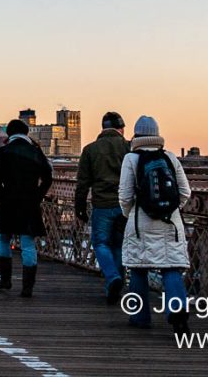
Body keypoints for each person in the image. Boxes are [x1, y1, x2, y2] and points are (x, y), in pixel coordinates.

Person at [118, 115, 192, 334]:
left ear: (136, 135)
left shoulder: (131, 159)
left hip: (141, 222)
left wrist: (131, 214)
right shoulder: (170, 157)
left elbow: (124, 196)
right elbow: (185, 192)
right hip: (171, 222)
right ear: (157, 134)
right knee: (171, 267)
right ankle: (177, 311)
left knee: (138, 268)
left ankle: (140, 316)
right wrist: (170, 208)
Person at [0, 119, 53, 298]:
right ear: (26, 133)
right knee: (27, 244)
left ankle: (5, 280)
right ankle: (27, 287)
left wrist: (1, 196)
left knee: (3, 238)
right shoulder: (35, 151)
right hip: (30, 203)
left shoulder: (4, 151)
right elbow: (48, 177)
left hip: (9, 201)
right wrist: (38, 195)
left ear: (9, 134)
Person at [75, 111, 131, 304]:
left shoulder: (90, 149)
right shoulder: (128, 147)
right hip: (124, 205)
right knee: (118, 245)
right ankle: (115, 284)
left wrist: (80, 207)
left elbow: (82, 182)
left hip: (102, 204)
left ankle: (112, 277)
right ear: (121, 128)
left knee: (100, 243)